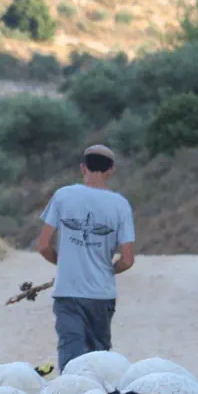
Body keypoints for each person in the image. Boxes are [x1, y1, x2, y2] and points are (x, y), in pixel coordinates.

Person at [36, 145, 136, 371]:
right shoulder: (120, 205)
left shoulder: (63, 195)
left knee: (71, 356)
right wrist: (109, 270)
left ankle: (70, 392)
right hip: (101, 294)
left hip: (68, 291)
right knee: (99, 361)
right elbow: (128, 260)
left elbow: (43, 245)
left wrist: (64, 264)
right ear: (111, 170)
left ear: (83, 168)